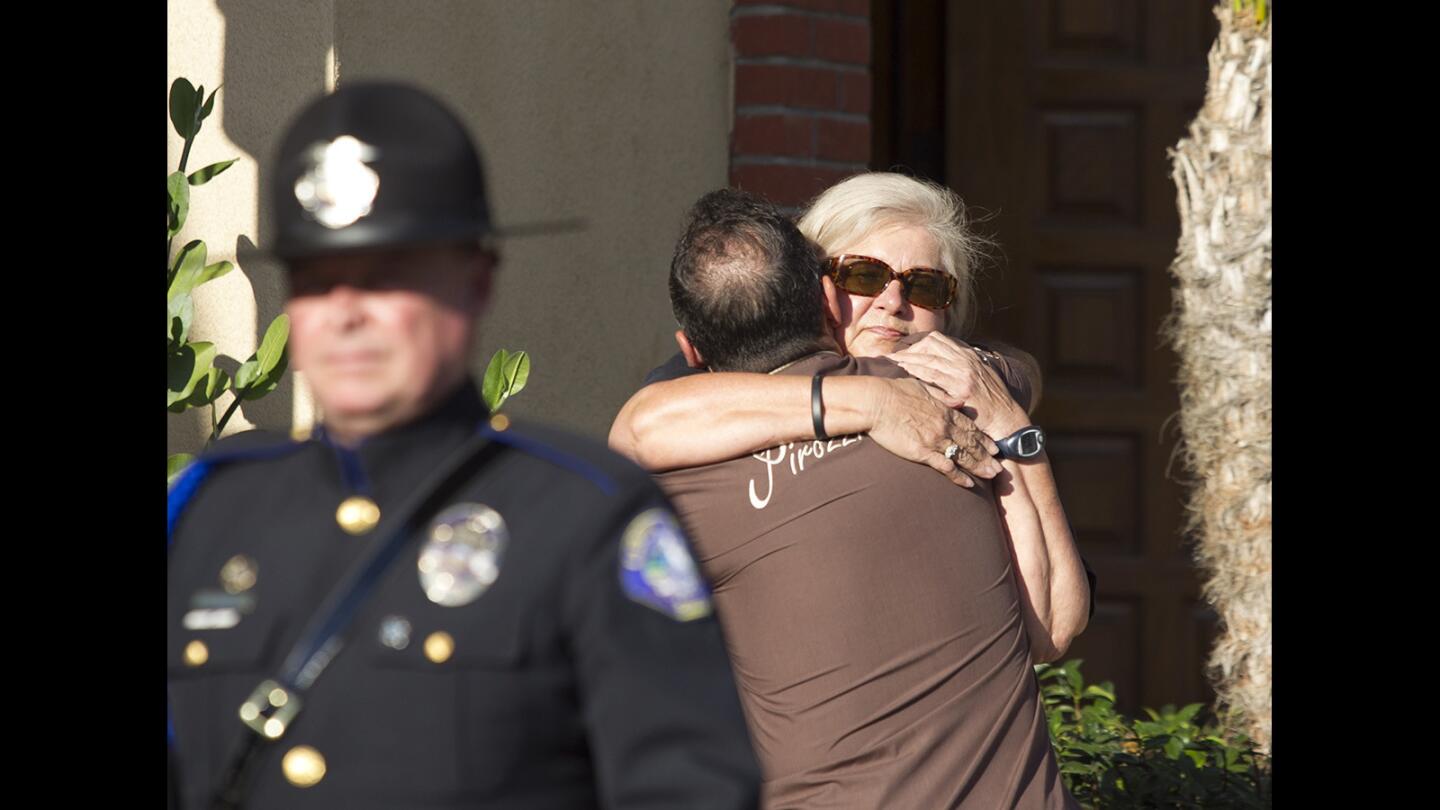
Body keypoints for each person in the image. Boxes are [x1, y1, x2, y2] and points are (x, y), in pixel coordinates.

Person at [166, 82, 760, 810]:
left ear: (476, 284)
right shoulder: (211, 512)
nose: (346, 314)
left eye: (386, 278)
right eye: (317, 283)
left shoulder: (586, 520)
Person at [612, 187, 1087, 807]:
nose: (893, 303)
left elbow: (1054, 625)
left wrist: (1010, 423)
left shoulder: (957, 402)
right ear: (819, 292)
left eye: (925, 289)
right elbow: (643, 423)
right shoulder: (703, 418)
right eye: (865, 275)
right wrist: (873, 401)